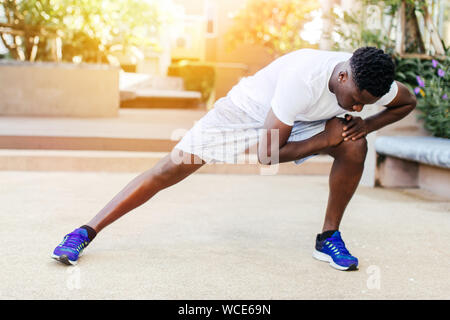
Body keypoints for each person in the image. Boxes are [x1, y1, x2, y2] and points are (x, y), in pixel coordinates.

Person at [52, 46, 416, 271]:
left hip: (305, 119)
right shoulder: (302, 77)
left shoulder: (371, 82)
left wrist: (365, 125)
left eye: (365, 103)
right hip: (246, 111)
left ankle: (328, 238)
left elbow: (407, 102)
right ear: (341, 75)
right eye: (356, 99)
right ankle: (84, 232)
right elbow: (267, 154)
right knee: (169, 169)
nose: (357, 106)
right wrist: (325, 137)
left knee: (354, 145)